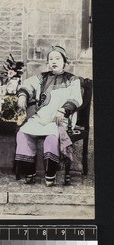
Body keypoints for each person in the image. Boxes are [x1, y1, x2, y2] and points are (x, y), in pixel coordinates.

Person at [15, 45, 83, 186]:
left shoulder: (72, 79)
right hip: (42, 118)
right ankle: (29, 172)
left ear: (64, 62)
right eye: (51, 59)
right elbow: (28, 85)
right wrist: (22, 96)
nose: (54, 61)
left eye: (57, 58)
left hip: (61, 119)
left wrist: (63, 110)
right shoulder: (42, 77)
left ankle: (50, 174)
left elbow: (76, 98)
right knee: (22, 133)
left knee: (51, 137)